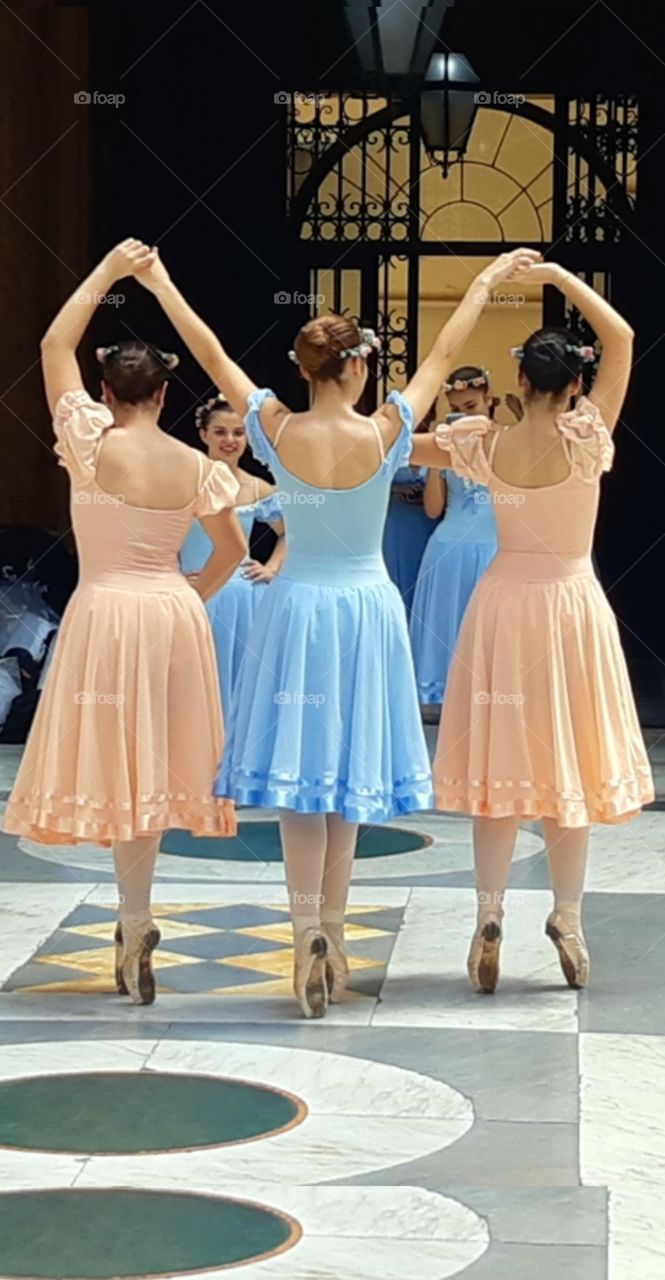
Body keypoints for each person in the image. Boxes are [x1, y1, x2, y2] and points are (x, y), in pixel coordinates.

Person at [135, 239, 538, 1018]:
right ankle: (333, 929)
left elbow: (210, 352)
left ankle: (301, 930)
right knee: (349, 777)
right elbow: (448, 348)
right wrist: (486, 278)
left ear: (305, 368)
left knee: (300, 782)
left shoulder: (275, 430)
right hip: (365, 606)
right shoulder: (387, 431)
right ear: (354, 367)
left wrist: (157, 280)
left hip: (296, 608)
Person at [2, 240, 247, 1006]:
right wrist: (189, 597)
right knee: (156, 761)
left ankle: (131, 917)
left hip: (105, 609)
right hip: (169, 609)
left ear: (105, 391)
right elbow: (232, 550)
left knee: (117, 758)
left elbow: (51, 343)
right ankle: (139, 917)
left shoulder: (85, 440)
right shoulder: (197, 464)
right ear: (166, 399)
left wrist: (109, 272)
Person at [408, 263, 654, 995]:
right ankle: (568, 918)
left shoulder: (482, 442)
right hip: (567, 605)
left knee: (498, 771)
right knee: (566, 766)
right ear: (574, 384)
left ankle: (488, 915)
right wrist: (556, 275)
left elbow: (397, 449)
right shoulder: (586, 436)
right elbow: (621, 335)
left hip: (501, 606)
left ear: (518, 380)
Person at [179, 395, 285, 721]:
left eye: (238, 433)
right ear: (204, 435)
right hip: (194, 593)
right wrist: (169, 573)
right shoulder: (183, 482)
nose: (230, 440)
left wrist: (271, 568)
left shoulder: (258, 488)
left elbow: (290, 533)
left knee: (242, 680)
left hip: (243, 599)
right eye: (221, 432)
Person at [410, 368, 498, 706]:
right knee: (449, 630)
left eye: (472, 407)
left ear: (490, 401)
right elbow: (433, 510)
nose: (465, 416)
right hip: (448, 549)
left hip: (494, 548)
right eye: (457, 409)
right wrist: (437, 455)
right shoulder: (446, 448)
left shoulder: (507, 443)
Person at [381, 405, 438, 617]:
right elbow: (369, 484)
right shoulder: (390, 447)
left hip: (427, 523)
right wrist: (397, 489)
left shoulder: (437, 445)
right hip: (398, 525)